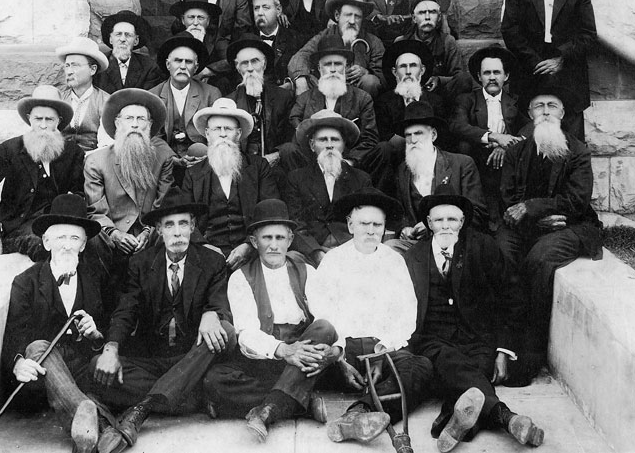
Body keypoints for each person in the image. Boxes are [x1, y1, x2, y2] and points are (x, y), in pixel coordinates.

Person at [90, 188, 235, 453]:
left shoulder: (212, 261)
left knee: (223, 330)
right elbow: (125, 311)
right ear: (158, 229)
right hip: (156, 361)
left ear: (193, 226)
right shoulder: (140, 263)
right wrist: (111, 349)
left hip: (192, 356)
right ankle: (183, 396)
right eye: (170, 225)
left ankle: (143, 409)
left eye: (183, 224)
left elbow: (220, 303)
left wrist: (212, 313)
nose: (177, 232)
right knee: (97, 367)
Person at [404, 188, 544, 451]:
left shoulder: (483, 247)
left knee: (472, 373)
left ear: (462, 222)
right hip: (434, 341)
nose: (446, 226)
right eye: (439, 220)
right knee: (451, 363)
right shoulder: (413, 257)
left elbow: (512, 297)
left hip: (477, 338)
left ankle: (453, 419)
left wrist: (503, 349)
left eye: (453, 219)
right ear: (429, 223)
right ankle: (507, 418)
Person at [203, 199, 338, 442]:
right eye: (267, 238)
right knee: (214, 380)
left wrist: (336, 352)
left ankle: (266, 411)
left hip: (303, 349)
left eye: (280, 238)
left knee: (324, 328)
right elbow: (246, 334)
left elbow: (327, 316)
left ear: (290, 239)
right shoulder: (241, 278)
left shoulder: (306, 270)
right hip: (266, 357)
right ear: (254, 242)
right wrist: (283, 350)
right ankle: (300, 401)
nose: (274, 245)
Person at [307, 187, 433, 445]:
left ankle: (358, 413)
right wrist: (340, 358)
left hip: (382, 349)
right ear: (350, 225)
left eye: (377, 225)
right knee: (311, 366)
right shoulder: (333, 260)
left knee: (420, 368)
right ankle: (372, 407)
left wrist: (382, 351)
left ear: (385, 228)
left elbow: (406, 311)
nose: (371, 231)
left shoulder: (394, 261)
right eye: (364, 224)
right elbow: (321, 312)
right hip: (343, 351)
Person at [496, 86, 602, 377]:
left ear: (562, 113)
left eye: (552, 105)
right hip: (528, 226)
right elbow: (508, 198)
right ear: (530, 114)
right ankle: (502, 343)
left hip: (570, 225)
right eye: (539, 106)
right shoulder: (516, 151)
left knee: (540, 259)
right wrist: (533, 219)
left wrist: (532, 207)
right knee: (501, 252)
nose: (545, 111)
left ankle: (532, 353)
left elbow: (577, 202)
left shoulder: (577, 151)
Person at [1, 194, 116, 453]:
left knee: (107, 378)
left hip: (79, 372)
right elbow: (14, 336)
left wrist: (96, 335)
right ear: (46, 242)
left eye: (74, 238)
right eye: (60, 237)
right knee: (38, 346)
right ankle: (87, 413)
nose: (66, 245)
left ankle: (87, 425)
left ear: (83, 245)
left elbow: (109, 330)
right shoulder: (26, 282)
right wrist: (18, 363)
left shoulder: (95, 278)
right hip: (40, 378)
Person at [0, 85, 85, 260]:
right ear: (29, 119)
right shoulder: (10, 149)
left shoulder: (73, 152)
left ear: (59, 121)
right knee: (43, 244)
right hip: (21, 226)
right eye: (38, 119)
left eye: (49, 119)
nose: (43, 125)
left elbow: (79, 193)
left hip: (58, 222)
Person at [501, 0, 597, 140]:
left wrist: (561, 59)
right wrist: (536, 62)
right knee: (527, 140)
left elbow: (588, 34)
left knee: (571, 142)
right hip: (529, 73)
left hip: (568, 76)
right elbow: (510, 30)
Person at [84, 88, 174, 300]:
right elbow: (96, 210)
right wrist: (115, 234)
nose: (134, 124)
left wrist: (148, 232)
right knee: (94, 241)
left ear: (149, 125)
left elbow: (163, 204)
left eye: (141, 119)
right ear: (117, 123)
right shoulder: (96, 161)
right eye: (129, 118)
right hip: (111, 237)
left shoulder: (163, 158)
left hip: (150, 234)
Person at [183, 98, 279, 266]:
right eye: (216, 129)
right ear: (207, 134)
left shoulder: (258, 167)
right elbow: (185, 218)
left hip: (253, 253)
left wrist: (249, 245)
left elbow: (271, 210)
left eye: (228, 129)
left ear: (239, 134)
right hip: (206, 255)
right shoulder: (193, 173)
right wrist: (204, 247)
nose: (222, 134)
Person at [449, 46, 529, 230]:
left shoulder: (515, 100)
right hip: (477, 158)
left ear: (506, 76)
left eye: (497, 72)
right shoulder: (467, 100)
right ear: (479, 77)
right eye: (487, 73)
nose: (492, 77)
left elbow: (531, 126)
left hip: (507, 159)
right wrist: (495, 137)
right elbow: (457, 125)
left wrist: (507, 145)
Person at [392, 101, 488, 251]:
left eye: (418, 133)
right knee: (391, 247)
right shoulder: (403, 170)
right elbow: (401, 214)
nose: (413, 140)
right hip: (420, 246)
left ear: (433, 135)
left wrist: (434, 225)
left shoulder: (461, 164)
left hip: (455, 242)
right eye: (408, 135)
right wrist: (405, 229)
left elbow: (477, 214)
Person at [282, 35, 380, 176]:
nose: (333, 69)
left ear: (346, 67)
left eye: (338, 64)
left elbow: (370, 139)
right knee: (287, 149)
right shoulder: (304, 99)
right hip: (312, 166)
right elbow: (297, 135)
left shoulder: (362, 98)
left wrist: (349, 161)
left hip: (348, 167)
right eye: (327, 64)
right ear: (319, 68)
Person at [283, 110, 371, 264]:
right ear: (312, 145)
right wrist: (316, 253)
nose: (329, 145)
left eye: (335, 140)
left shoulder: (361, 179)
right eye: (323, 140)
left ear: (343, 145)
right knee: (292, 260)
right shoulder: (296, 178)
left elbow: (365, 224)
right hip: (311, 252)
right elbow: (296, 224)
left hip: (350, 252)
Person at [374, 39, 446, 193]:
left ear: (422, 70)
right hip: (397, 159)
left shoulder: (436, 101)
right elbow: (385, 135)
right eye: (403, 66)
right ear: (395, 72)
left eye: (413, 66)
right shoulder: (384, 102)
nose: (408, 71)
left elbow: (443, 136)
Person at [288, 0, 386, 98]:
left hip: (358, 97)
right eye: (348, 15)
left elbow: (383, 76)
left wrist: (366, 72)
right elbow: (301, 56)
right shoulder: (324, 36)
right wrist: (300, 79)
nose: (352, 21)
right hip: (328, 93)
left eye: (357, 16)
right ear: (337, 16)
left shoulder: (373, 42)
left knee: (370, 81)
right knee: (295, 84)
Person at [150, 33, 220, 184]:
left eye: (188, 62)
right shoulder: (153, 95)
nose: (182, 66)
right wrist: (173, 159)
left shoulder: (211, 93)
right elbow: (153, 137)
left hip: (203, 164)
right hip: (165, 164)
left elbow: (217, 134)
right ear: (168, 65)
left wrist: (203, 156)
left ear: (196, 67)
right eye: (177, 61)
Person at [226, 34, 294, 172]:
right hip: (242, 170)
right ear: (238, 68)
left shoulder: (283, 97)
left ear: (264, 64)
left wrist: (276, 155)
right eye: (244, 63)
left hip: (275, 167)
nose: (250, 68)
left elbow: (292, 139)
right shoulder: (230, 103)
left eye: (255, 61)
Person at [395, 0, 472, 103]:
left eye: (432, 12)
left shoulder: (447, 41)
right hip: (410, 95)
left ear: (439, 17)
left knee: (465, 79)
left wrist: (439, 80)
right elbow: (393, 76)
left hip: (440, 95)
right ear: (414, 18)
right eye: (422, 13)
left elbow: (458, 75)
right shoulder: (402, 42)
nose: (427, 17)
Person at [168, 0, 232, 91]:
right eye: (191, 17)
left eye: (200, 18)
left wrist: (206, 71)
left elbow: (229, 60)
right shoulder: (175, 39)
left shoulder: (216, 37)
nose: (195, 23)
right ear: (183, 20)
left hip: (209, 86)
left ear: (208, 21)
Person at [247, 0, 305, 88]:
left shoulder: (294, 39)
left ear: (278, 10)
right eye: (256, 8)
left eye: (265, 8)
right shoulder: (246, 39)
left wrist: (290, 84)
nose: (260, 13)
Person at [56, 36, 112, 152]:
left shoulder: (106, 102)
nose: (69, 72)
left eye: (75, 65)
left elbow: (106, 146)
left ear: (93, 69)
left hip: (93, 160)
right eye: (67, 66)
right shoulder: (58, 99)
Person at [95, 10, 164, 94]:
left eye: (128, 35)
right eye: (118, 34)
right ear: (110, 39)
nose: (123, 39)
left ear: (136, 40)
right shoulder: (99, 64)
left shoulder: (149, 67)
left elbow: (149, 98)